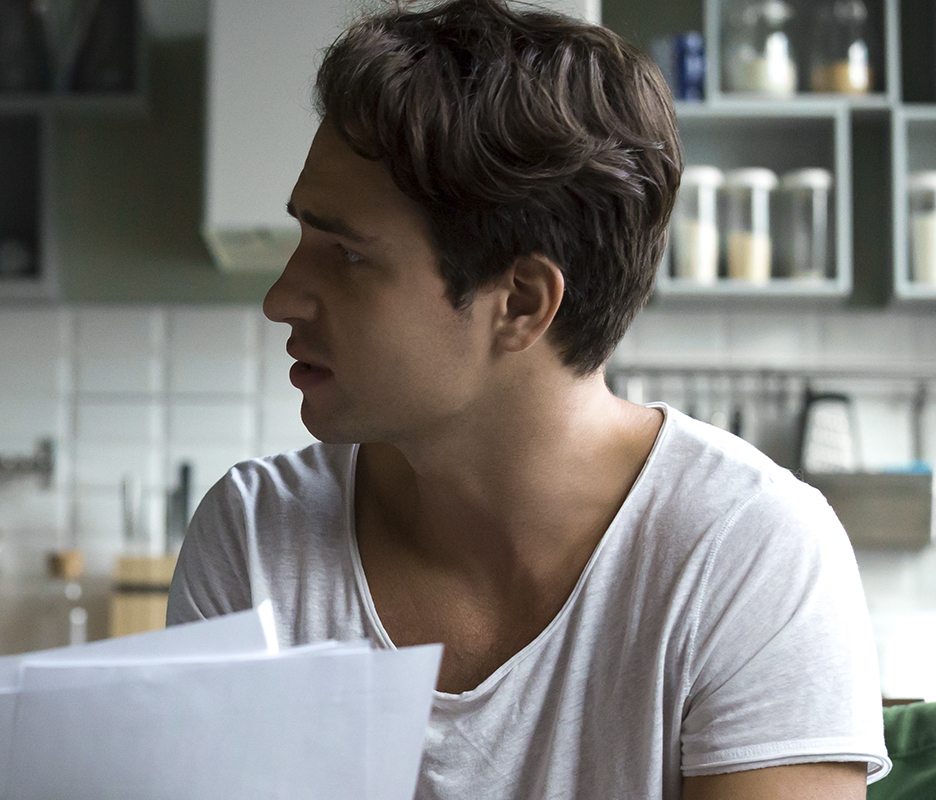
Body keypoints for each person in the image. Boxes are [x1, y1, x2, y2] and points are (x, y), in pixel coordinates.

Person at [166, 1, 889, 797]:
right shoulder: (254, 539)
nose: (281, 298)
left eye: (345, 254)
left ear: (519, 303)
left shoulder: (750, 554)